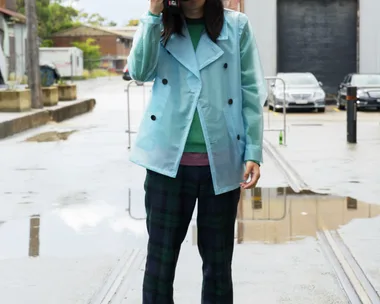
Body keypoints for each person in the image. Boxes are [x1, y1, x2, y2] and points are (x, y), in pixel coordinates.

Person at [127, 0, 267, 302]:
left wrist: (253, 150)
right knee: (159, 263)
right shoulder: (160, 25)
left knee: (218, 266)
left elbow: (251, 90)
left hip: (221, 161)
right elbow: (139, 71)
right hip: (167, 163)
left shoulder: (237, 26)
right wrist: (153, 14)